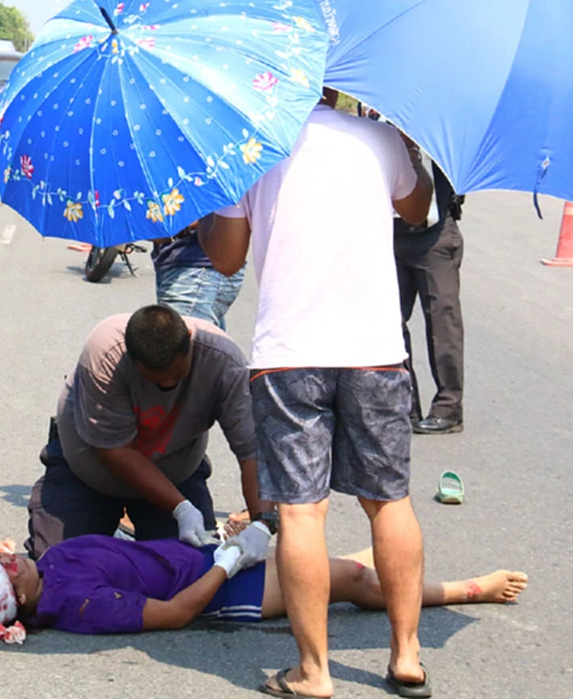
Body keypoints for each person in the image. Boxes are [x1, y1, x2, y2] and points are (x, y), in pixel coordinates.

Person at [200, 87, 436, 698]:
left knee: (303, 512)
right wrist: (410, 140)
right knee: (390, 501)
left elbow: (225, 259)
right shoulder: (381, 138)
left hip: (290, 355)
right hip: (375, 351)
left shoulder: (246, 145)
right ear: (338, 82)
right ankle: (407, 656)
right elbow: (416, 210)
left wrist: (212, 194)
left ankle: (314, 672)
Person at [0, 518, 528, 635]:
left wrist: (200, 534)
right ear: (17, 600)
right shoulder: (78, 609)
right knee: (348, 582)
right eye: (4, 570)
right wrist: (230, 562)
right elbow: (178, 612)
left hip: (206, 556)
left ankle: (383, 571)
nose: (8, 558)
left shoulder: (49, 565)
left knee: (337, 565)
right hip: (221, 590)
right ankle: (467, 591)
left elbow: (126, 552)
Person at [25, 305, 271, 561]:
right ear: (130, 357)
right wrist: (181, 508)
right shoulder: (107, 351)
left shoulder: (223, 362)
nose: (167, 384)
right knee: (57, 570)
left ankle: (128, 541)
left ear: (188, 339)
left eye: (176, 376)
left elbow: (252, 452)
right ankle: (118, 540)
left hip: (174, 473)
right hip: (88, 474)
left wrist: (262, 526)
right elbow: (114, 450)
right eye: (155, 379)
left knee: (194, 567)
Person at [394, 147, 466, 435]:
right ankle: (405, 405)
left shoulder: (439, 129)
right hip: (390, 231)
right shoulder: (376, 122)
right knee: (390, 322)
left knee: (442, 320)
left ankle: (448, 408)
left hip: (434, 236)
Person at [151, 223, 245, 330]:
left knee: (179, 338)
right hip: (176, 266)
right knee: (202, 341)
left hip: (199, 269)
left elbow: (218, 209)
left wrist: (177, 228)